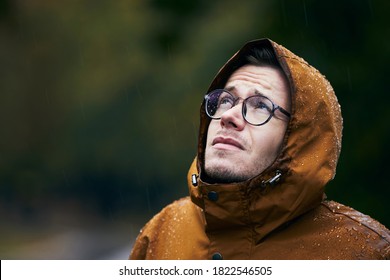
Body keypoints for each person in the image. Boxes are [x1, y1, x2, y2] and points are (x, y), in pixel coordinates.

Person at [129, 38, 390, 260]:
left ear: (298, 139)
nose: (229, 116)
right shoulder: (163, 232)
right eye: (225, 100)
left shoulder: (363, 252)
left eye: (260, 106)